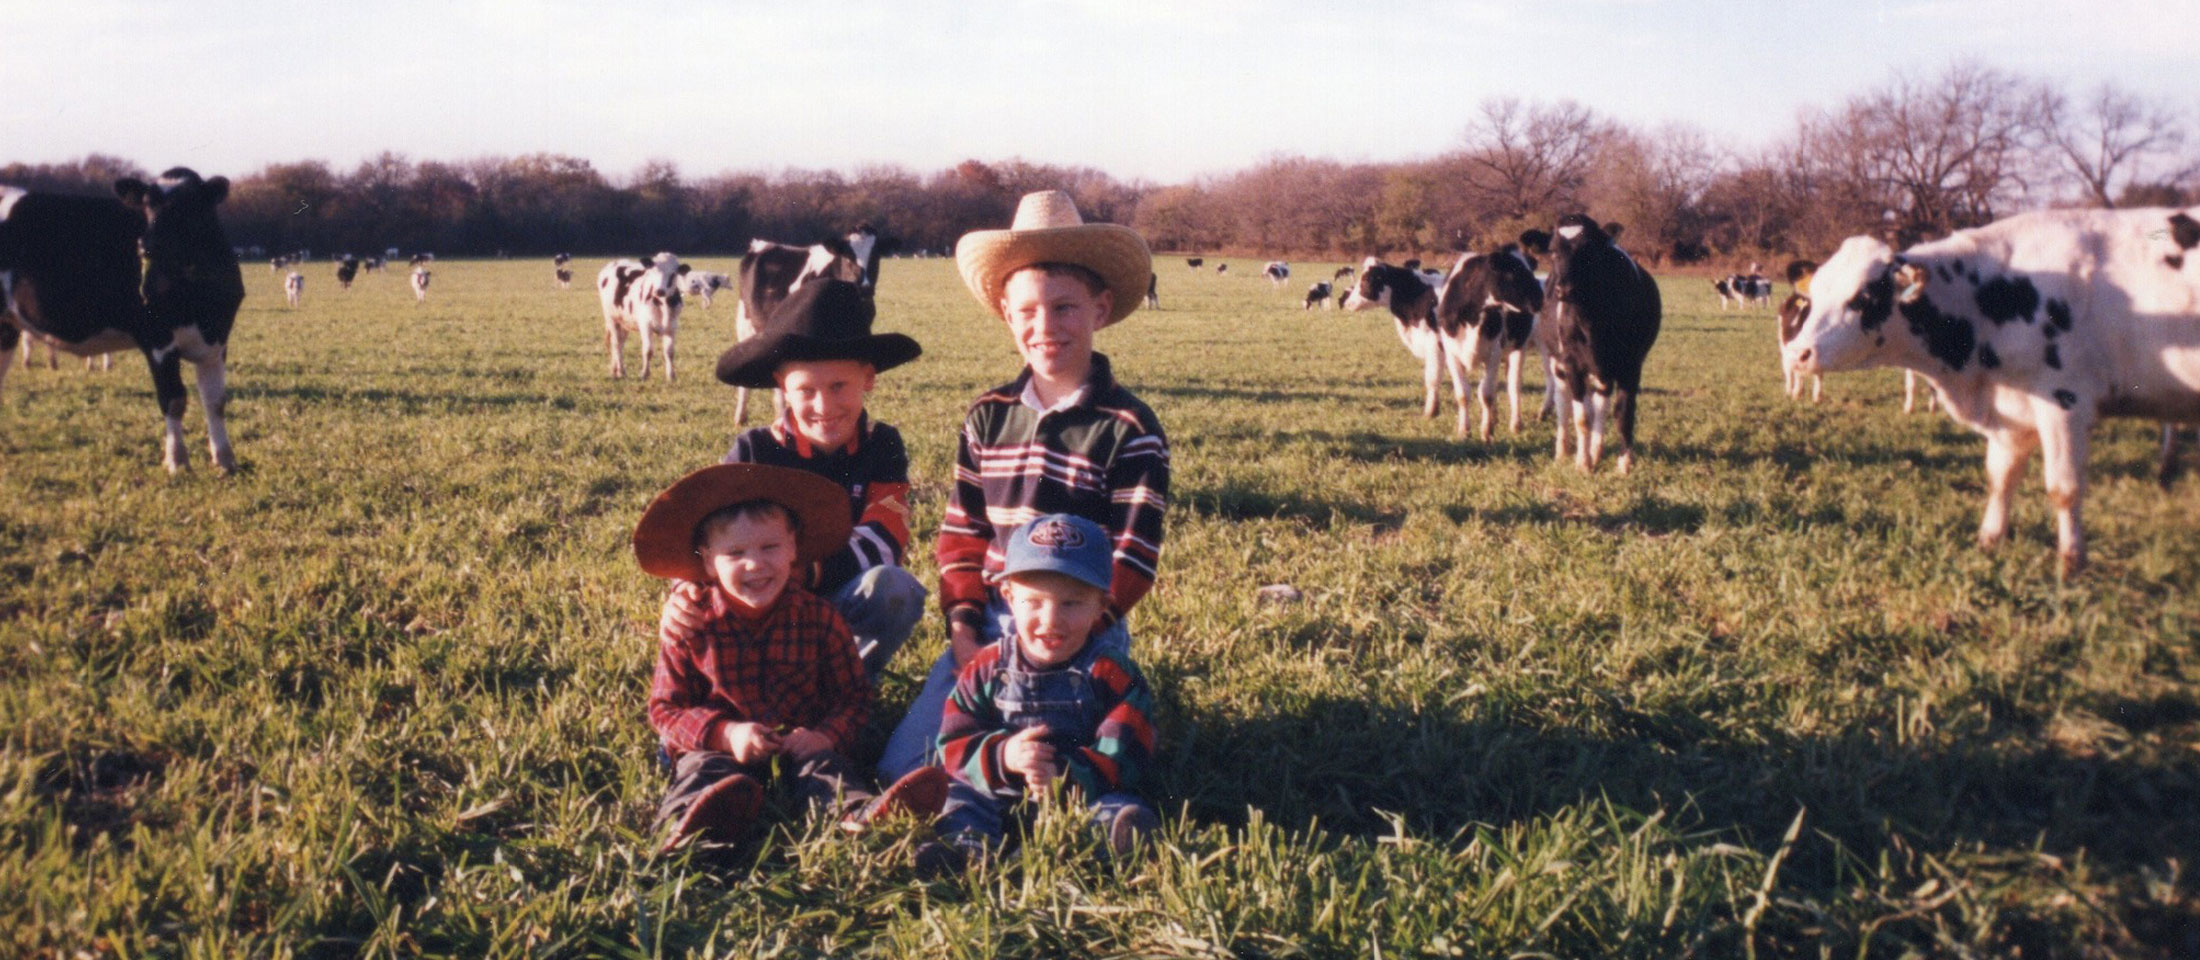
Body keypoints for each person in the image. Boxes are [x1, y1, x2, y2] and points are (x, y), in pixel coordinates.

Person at [878, 190, 1169, 782]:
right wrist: (963, 626)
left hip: (1085, 624)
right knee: (906, 770)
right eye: (1028, 311)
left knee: (1080, 769)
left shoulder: (1129, 428)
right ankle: (988, 762)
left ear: (1101, 308)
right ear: (1007, 315)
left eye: (1065, 308)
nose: (1046, 327)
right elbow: (963, 531)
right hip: (992, 621)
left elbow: (1133, 556)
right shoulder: (988, 416)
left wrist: (1072, 627)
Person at [633, 463, 946, 853]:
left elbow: (854, 697)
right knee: (702, 772)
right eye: (735, 553)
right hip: (720, 744)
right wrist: (725, 734)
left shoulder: (818, 617)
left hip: (798, 743)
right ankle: (690, 832)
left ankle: (859, 817)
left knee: (826, 771)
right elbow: (666, 708)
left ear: (794, 547)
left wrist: (824, 736)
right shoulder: (693, 623)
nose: (755, 564)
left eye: (770, 547)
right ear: (709, 562)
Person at [714, 278, 927, 682]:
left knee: (894, 587)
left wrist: (810, 572)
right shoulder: (754, 449)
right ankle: (753, 686)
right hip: (763, 602)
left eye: (838, 386)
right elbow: (715, 539)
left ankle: (847, 686)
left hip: (838, 598)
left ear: (868, 378)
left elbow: (886, 537)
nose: (823, 406)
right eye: (805, 390)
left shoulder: (883, 446)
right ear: (782, 386)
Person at [928, 514, 1160, 866]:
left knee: (1120, 811)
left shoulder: (1112, 673)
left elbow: (1128, 752)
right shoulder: (987, 667)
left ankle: (1091, 847)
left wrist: (1064, 777)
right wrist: (1003, 757)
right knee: (958, 798)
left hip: (1081, 796)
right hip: (1000, 791)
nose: (1051, 619)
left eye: (1072, 603)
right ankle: (968, 851)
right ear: (1008, 596)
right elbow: (954, 743)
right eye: (1034, 602)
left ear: (1102, 604)